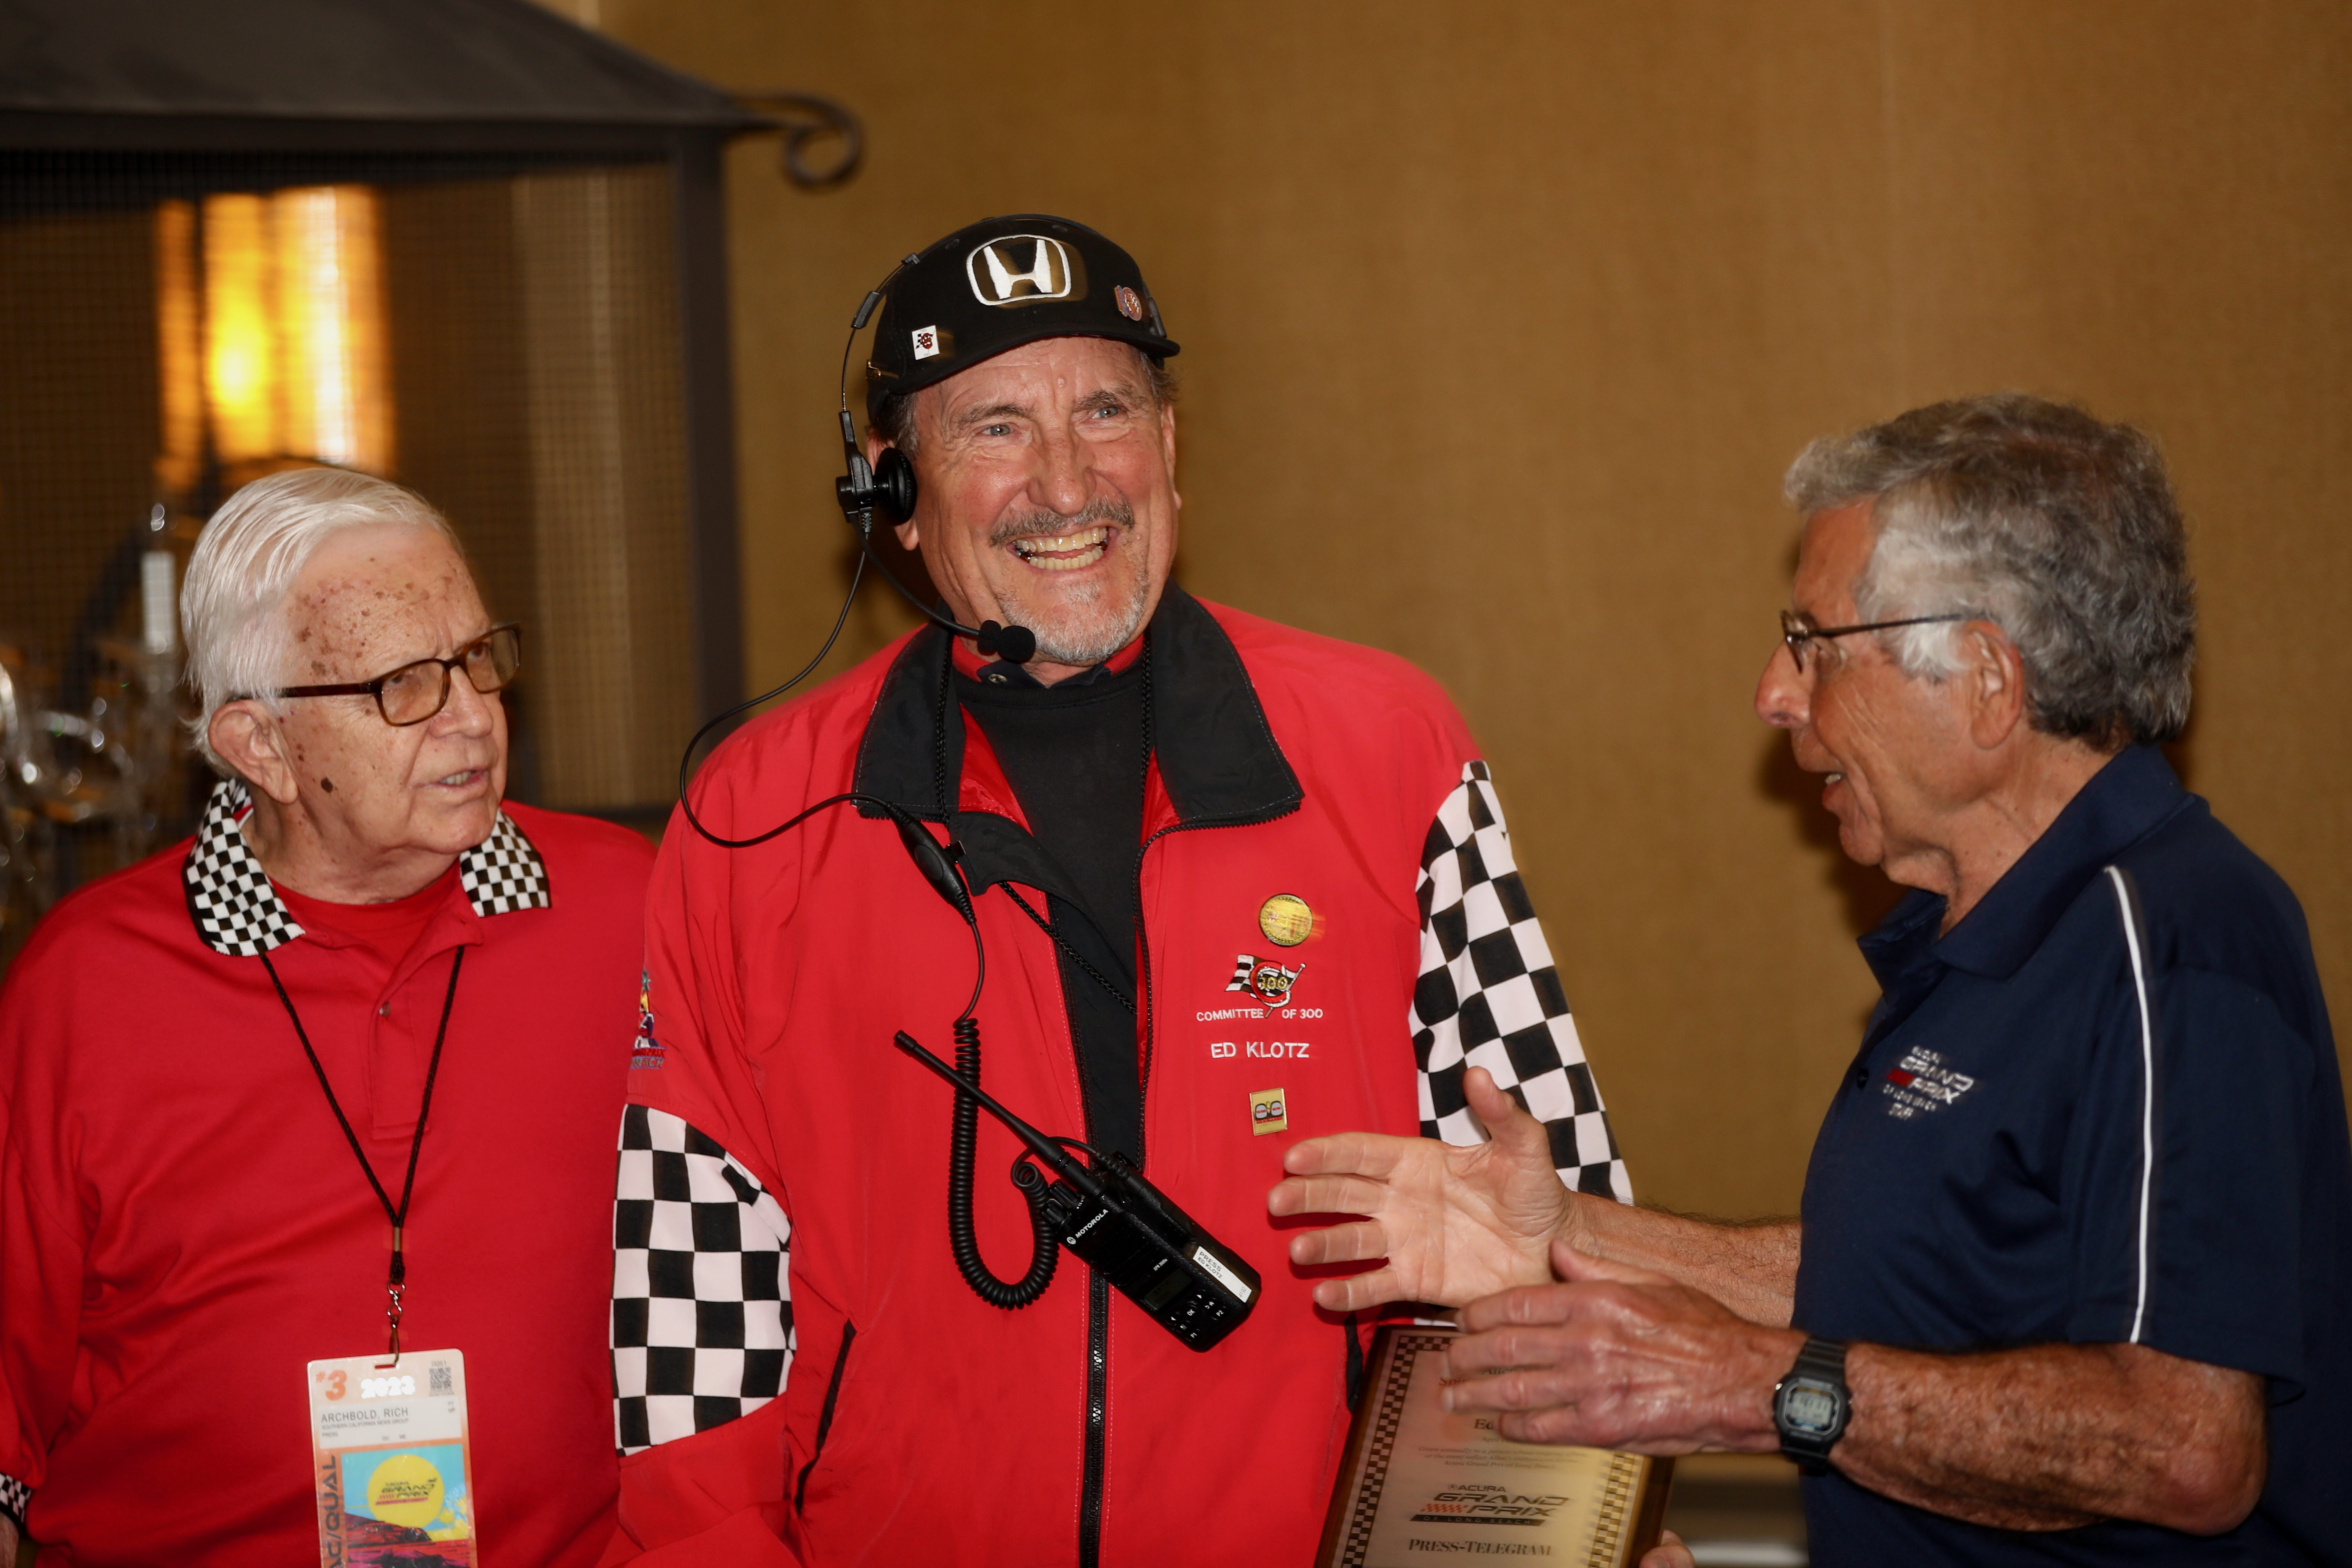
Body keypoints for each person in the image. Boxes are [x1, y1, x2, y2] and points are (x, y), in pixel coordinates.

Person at [604, 214, 1630, 1566]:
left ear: (1171, 451)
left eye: (1107, 409)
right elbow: (693, 1285)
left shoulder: (1390, 751)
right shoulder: (756, 816)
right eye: (993, 430)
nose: (1068, 481)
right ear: (888, 493)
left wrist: (1559, 1548)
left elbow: (1546, 1205)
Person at [1271, 395, 2352, 1565]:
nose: (1774, 694)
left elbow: (2183, 1445)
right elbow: (1920, 1278)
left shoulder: (2172, 938)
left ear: (1986, 679)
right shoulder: (1986, 934)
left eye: (1812, 643)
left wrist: (1754, 1389)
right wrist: (1570, 1228)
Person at [0, 469, 653, 1566]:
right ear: (261, 748)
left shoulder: (629, 911)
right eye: (404, 684)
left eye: (476, 658)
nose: (473, 717)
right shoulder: (91, 985)